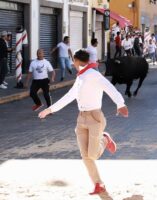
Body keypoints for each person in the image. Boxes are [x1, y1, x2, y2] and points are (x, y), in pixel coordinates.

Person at [38, 49, 129, 195]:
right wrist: (50, 110)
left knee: (92, 155)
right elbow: (69, 96)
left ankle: (104, 139)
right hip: (81, 119)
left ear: (77, 61)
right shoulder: (80, 77)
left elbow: (110, 88)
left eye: (73, 61)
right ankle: (98, 184)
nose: (73, 64)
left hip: (95, 118)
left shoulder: (93, 74)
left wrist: (120, 104)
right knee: (85, 156)